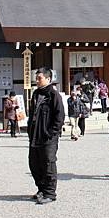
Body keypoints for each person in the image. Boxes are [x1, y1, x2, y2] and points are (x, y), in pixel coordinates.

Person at [27, 67, 65, 204]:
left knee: (48, 163)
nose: (37, 81)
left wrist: (51, 132)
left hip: (48, 137)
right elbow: (32, 114)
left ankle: (50, 192)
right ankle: (41, 189)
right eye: (36, 78)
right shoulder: (36, 94)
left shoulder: (54, 95)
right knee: (34, 163)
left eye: (39, 78)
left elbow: (60, 116)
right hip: (35, 135)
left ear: (48, 79)